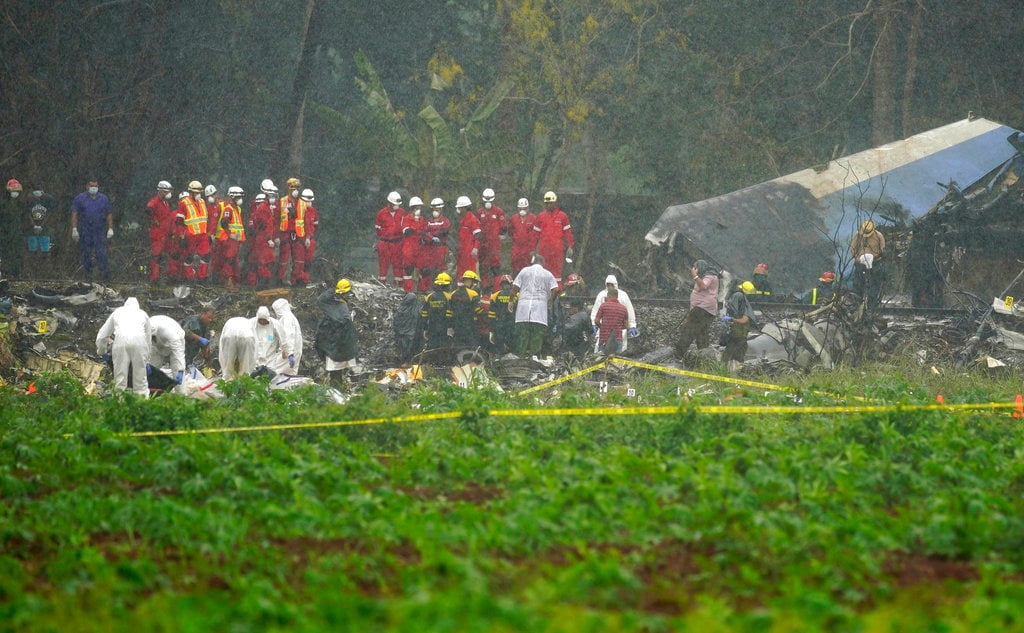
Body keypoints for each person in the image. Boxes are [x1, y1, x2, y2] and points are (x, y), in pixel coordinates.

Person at [96, 297, 152, 397]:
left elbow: (103, 335)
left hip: (121, 343)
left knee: (120, 380)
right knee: (140, 381)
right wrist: (147, 360)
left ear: (125, 304)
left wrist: (102, 351)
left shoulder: (117, 312)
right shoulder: (143, 314)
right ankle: (142, 407)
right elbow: (148, 340)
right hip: (140, 343)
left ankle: (119, 407)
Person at [512, 253, 559, 358]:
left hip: (523, 310)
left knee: (522, 335)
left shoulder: (524, 271)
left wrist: (511, 301)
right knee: (537, 335)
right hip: (539, 310)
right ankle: (534, 357)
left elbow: (515, 287)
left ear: (533, 262)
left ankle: (520, 357)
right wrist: (550, 301)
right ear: (543, 263)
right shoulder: (547, 274)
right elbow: (556, 289)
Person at [316, 279, 360, 387]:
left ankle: (337, 393)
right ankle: (337, 394)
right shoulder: (340, 307)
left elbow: (320, 300)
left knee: (336, 374)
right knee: (336, 375)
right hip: (338, 347)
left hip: (333, 348)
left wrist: (334, 290)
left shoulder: (332, 306)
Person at [674, 259, 719, 360]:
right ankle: (704, 355)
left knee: (689, 329)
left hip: (703, 308)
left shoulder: (709, 275)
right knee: (701, 332)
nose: (694, 270)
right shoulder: (705, 275)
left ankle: (679, 352)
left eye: (696, 268)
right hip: (703, 308)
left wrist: (694, 275)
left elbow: (703, 286)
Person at [70, 178, 114, 281]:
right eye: (91, 186)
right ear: (87, 186)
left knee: (101, 254)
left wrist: (110, 228)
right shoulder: (80, 198)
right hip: (85, 230)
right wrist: (74, 229)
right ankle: (88, 278)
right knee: (86, 255)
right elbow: (74, 213)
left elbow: (109, 213)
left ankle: (104, 278)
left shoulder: (103, 198)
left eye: (96, 186)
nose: (93, 188)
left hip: (99, 230)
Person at [533, 191, 574, 287]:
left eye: (550, 203)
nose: (548, 205)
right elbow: (535, 235)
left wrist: (570, 246)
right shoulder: (540, 217)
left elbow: (568, 233)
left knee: (557, 273)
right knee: (543, 271)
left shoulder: (562, 216)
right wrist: (533, 250)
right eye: (546, 203)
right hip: (544, 250)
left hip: (557, 250)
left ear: (555, 203)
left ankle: (557, 293)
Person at [175, 180, 211, 282]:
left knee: (206, 255)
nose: (199, 194)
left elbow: (205, 218)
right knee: (189, 257)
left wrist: (208, 234)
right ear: (191, 192)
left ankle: (202, 277)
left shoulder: (202, 202)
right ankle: (189, 278)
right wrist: (181, 236)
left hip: (203, 234)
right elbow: (179, 222)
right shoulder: (184, 203)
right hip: (190, 234)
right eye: (197, 192)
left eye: (200, 192)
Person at [212, 186, 247, 287]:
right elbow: (224, 222)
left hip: (235, 240)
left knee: (234, 262)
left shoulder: (237, 208)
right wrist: (230, 234)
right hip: (229, 240)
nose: (240, 199)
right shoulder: (228, 208)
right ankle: (228, 283)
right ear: (233, 197)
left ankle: (234, 282)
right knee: (229, 261)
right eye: (238, 197)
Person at [721, 279, 757, 373]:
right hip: (737, 335)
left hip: (739, 335)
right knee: (731, 355)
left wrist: (731, 319)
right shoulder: (741, 299)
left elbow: (744, 319)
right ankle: (729, 372)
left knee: (734, 356)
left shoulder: (742, 302)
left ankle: (730, 372)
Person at [246, 182, 277, 287]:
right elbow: (262, 226)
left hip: (265, 240)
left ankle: (264, 286)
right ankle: (262, 287)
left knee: (266, 263)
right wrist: (268, 239)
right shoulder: (263, 208)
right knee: (263, 264)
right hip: (263, 240)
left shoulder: (267, 207)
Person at [476, 188, 507, 289]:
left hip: (494, 245)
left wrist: (498, 236)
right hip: (482, 245)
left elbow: (503, 228)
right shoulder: (480, 212)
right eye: (486, 199)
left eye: (490, 199)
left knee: (495, 267)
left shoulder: (499, 211)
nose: (488, 201)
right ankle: (484, 288)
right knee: (483, 267)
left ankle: (497, 288)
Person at [145, 181, 175, 283]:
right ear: (161, 191)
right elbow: (149, 208)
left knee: (168, 255)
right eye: (167, 192)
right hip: (158, 234)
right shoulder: (155, 201)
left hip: (166, 234)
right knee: (156, 256)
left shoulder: (166, 203)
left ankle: (167, 276)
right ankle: (155, 278)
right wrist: (153, 219)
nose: (169, 194)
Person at [851, 219, 885, 307]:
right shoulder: (857, 235)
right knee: (858, 283)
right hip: (860, 263)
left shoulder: (878, 236)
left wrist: (873, 257)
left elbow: (882, 250)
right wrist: (858, 258)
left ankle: (872, 304)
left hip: (875, 263)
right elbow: (853, 249)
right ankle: (857, 304)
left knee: (874, 284)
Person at [375, 191, 406, 286]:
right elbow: (377, 229)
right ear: (389, 203)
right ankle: (381, 285)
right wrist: (387, 235)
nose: (397, 206)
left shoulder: (402, 212)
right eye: (395, 204)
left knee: (398, 266)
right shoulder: (381, 213)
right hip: (385, 243)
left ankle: (399, 287)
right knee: (383, 266)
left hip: (398, 243)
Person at [25, 188, 57, 277]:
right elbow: (27, 214)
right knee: (32, 251)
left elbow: (50, 214)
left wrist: (42, 226)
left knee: (45, 251)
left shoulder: (48, 199)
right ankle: (32, 273)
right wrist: (33, 226)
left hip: (45, 230)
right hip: (31, 231)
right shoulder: (29, 199)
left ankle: (44, 273)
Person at [251, 305, 291, 375]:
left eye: (264, 320)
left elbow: (283, 337)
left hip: (269, 355)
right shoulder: (251, 323)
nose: (263, 321)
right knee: (254, 375)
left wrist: (285, 350)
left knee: (269, 375)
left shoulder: (275, 324)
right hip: (255, 356)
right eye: (261, 320)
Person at [448, 270, 482, 352]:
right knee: (471, 346)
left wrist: (450, 326)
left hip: (456, 325)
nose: (476, 284)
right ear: (471, 281)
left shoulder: (453, 294)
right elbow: (478, 311)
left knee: (458, 346)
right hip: (470, 325)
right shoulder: (473, 294)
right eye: (475, 282)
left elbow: (449, 312)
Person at [149, 314, 187, 386]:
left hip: (176, 342)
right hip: (156, 345)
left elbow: (178, 350)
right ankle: (151, 392)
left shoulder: (170, 332)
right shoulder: (145, 327)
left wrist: (181, 369)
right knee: (152, 368)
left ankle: (181, 395)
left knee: (176, 370)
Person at [421, 198, 450, 291]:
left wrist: (432, 234)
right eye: (433, 210)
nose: (435, 212)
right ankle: (426, 290)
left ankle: (442, 289)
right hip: (429, 249)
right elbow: (424, 233)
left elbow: (444, 231)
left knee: (441, 269)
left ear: (441, 209)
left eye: (437, 210)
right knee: (427, 270)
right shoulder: (428, 221)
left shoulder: (445, 221)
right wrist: (431, 237)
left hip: (440, 248)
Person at [420, 272, 453, 352]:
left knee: (432, 347)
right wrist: (450, 327)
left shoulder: (429, 297)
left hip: (432, 327)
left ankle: (432, 362)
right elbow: (450, 314)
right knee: (443, 348)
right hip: (444, 328)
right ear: (447, 285)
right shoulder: (449, 297)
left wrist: (425, 328)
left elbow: (424, 314)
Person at [400, 196, 426, 292]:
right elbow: (406, 231)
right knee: (408, 270)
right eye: (417, 208)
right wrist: (416, 230)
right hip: (409, 248)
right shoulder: (406, 219)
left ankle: (416, 292)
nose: (419, 210)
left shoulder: (421, 219)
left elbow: (424, 231)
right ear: (412, 208)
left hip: (419, 248)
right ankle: (407, 291)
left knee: (419, 270)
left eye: (419, 208)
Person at [593, 287, 629, 356]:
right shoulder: (623, 309)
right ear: (617, 297)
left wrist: (602, 327)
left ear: (609, 295)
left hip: (604, 339)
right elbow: (626, 325)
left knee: (602, 362)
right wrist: (618, 328)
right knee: (616, 363)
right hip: (618, 339)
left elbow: (596, 321)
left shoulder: (603, 306)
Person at [1, 179, 26, 278]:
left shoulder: (20, 204)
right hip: (5, 233)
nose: (15, 193)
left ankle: (16, 272)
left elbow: (24, 218)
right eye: (13, 191)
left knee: (17, 252)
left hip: (17, 232)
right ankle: (6, 272)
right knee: (6, 253)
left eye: (17, 191)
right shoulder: (3, 204)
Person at [219, 316, 257, 380]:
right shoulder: (249, 323)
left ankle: (228, 380)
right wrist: (251, 365)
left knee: (229, 364)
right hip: (247, 336)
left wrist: (223, 365)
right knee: (245, 365)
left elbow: (222, 345)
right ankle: (243, 380)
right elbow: (254, 348)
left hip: (229, 335)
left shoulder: (230, 321)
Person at [271, 298, 302, 374]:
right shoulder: (289, 317)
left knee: (273, 371)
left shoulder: (286, 318)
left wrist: (289, 353)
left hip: (289, 352)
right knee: (290, 373)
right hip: (293, 350)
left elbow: (289, 335)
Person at [487, 275, 516, 355]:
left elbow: (491, 315)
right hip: (512, 325)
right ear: (511, 284)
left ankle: (500, 360)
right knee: (513, 347)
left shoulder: (494, 296)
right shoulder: (517, 295)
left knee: (499, 348)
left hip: (499, 325)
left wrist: (491, 330)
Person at [508, 197, 537, 275]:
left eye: (524, 208)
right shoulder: (513, 219)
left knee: (528, 270)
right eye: (520, 209)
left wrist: (533, 249)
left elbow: (536, 235)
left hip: (528, 250)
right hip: (516, 249)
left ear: (528, 208)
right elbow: (510, 232)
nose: (522, 211)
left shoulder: (533, 219)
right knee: (516, 270)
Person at [454, 195, 481, 279]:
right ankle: (461, 290)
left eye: (460, 208)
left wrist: (475, 248)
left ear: (465, 208)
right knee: (461, 273)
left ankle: (471, 291)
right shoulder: (462, 219)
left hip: (470, 253)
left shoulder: (473, 219)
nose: (458, 210)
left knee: (470, 273)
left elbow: (478, 235)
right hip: (462, 252)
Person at [394, 292, 422, 365]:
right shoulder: (416, 309)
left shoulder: (401, 309)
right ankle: (408, 361)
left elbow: (396, 321)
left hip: (402, 334)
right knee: (410, 349)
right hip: (411, 334)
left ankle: (405, 361)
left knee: (403, 348)